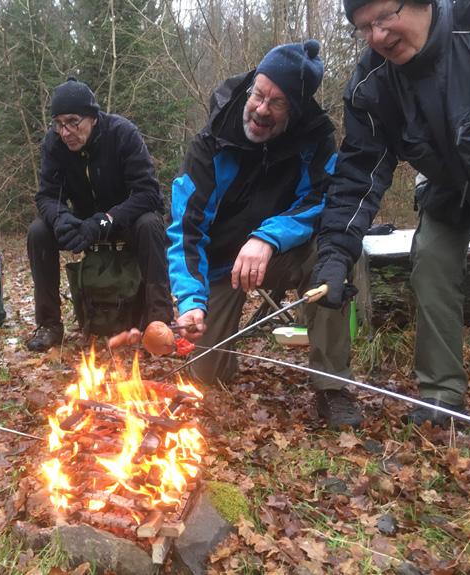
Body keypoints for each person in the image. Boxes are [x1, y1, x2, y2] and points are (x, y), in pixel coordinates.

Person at [310, 0, 470, 427]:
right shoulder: (372, 83)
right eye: (364, 28)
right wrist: (333, 257)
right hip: (448, 184)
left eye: (386, 17)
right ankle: (443, 398)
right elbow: (357, 176)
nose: (378, 37)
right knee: (431, 260)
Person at [167, 40, 363, 429]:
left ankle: (333, 385)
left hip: (283, 253)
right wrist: (190, 299)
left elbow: (322, 199)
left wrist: (267, 238)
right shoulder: (212, 141)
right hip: (222, 265)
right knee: (203, 376)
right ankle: (221, 355)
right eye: (258, 94)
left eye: (277, 103)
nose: (260, 109)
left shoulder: (315, 139)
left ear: (296, 109)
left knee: (331, 256)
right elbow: (186, 229)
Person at [26, 77, 173, 352]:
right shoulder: (54, 144)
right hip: (81, 223)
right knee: (38, 231)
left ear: (92, 117)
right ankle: (49, 324)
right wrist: (61, 218)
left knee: (151, 223)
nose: (66, 131)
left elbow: (149, 193)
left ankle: (159, 321)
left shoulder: (122, 133)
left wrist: (106, 220)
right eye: (58, 123)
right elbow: (46, 195)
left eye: (73, 121)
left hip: (123, 221)